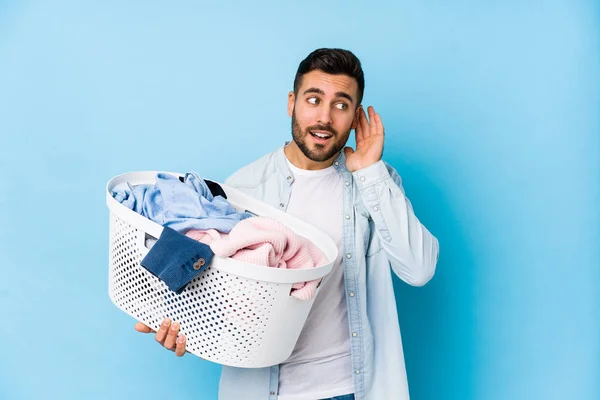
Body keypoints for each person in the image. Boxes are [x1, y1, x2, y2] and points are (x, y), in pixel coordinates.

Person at [134, 48, 439, 400]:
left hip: (351, 391)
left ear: (355, 117)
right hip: (262, 391)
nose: (324, 118)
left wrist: (370, 172)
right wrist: (181, 327)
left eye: (341, 105)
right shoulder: (243, 190)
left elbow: (419, 269)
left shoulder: (375, 184)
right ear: (292, 103)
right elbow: (214, 292)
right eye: (313, 99)